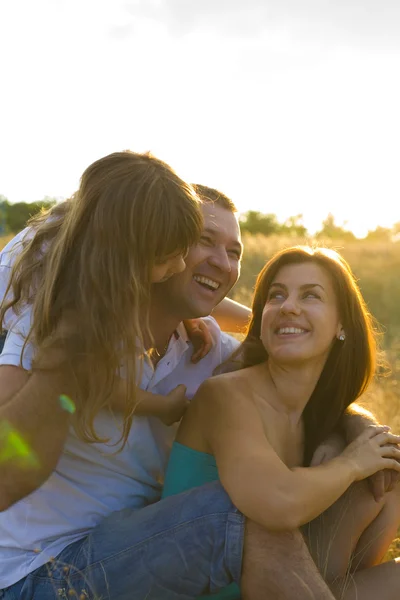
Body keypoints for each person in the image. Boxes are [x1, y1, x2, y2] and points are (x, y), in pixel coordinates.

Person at [0, 176, 389, 599]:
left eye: (234, 252)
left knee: (370, 490)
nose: (223, 263)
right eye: (205, 240)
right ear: (163, 250)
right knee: (243, 521)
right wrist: (64, 362)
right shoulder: (59, 325)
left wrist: (354, 431)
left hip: (144, 552)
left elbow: (300, 376)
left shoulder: (212, 354)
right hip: (40, 571)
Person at [162, 245, 400, 600]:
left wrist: (357, 442)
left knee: (384, 481)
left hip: (280, 584)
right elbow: (276, 504)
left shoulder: (316, 412)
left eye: (311, 295)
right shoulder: (226, 395)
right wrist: (349, 463)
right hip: (200, 589)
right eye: (276, 295)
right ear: (261, 319)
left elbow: (359, 432)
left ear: (342, 326)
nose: (288, 306)